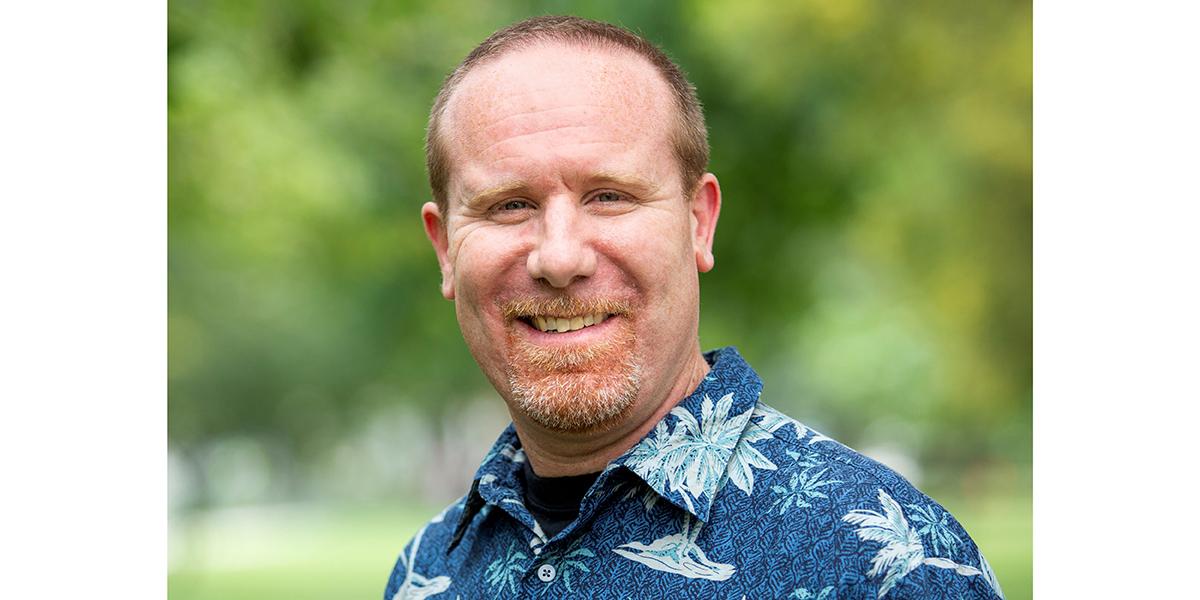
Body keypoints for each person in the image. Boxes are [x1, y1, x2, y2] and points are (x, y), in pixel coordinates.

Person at [385, 15, 1003, 600]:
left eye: (608, 196)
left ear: (699, 222)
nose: (560, 257)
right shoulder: (428, 572)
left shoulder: (886, 565)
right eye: (509, 205)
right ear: (445, 249)